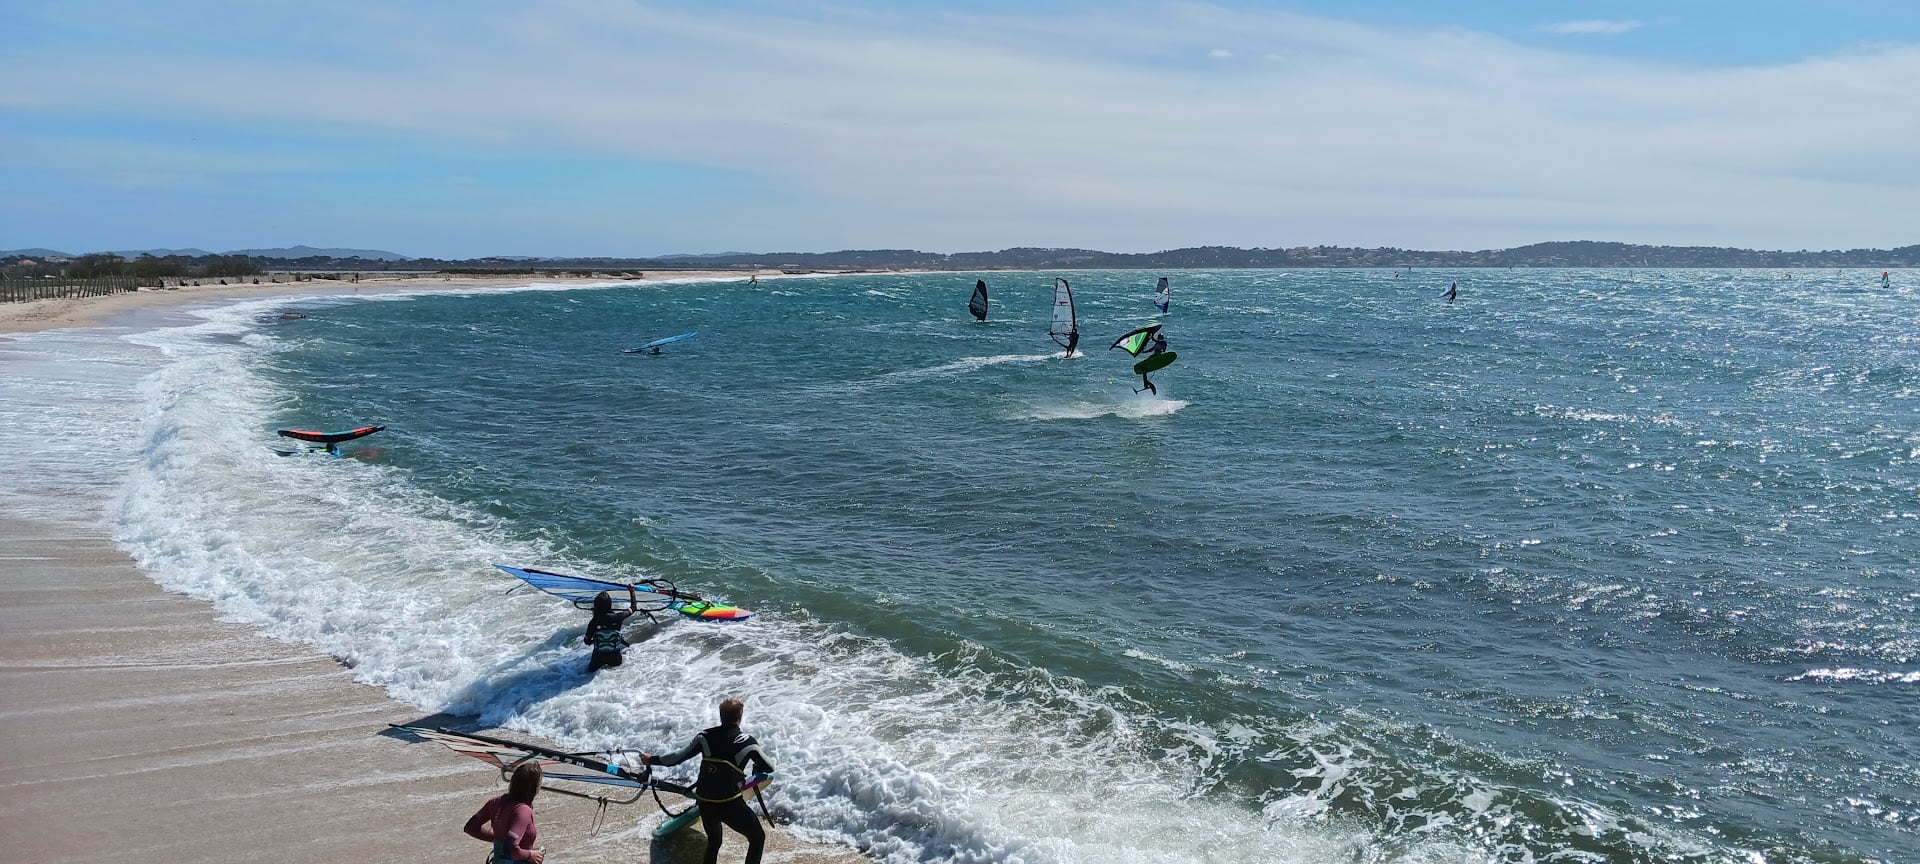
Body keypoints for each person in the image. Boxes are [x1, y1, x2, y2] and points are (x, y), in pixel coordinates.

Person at [643, 698, 774, 864]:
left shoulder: (704, 737)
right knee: (757, 838)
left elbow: (676, 758)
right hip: (730, 804)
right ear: (740, 716)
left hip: (706, 802)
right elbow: (769, 767)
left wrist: (651, 759)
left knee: (714, 842)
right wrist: (756, 767)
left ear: (721, 716)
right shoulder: (748, 742)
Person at [465, 762, 544, 864]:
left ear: (513, 781)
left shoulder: (494, 802)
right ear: (535, 787)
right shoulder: (523, 810)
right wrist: (530, 855)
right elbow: (510, 849)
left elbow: (470, 827)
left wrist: (500, 841)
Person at [584, 587, 639, 674]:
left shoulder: (593, 622)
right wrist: (632, 591)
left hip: (598, 658)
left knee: (587, 674)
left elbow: (587, 641)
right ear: (610, 604)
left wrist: (598, 640)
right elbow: (633, 607)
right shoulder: (618, 617)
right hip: (615, 657)